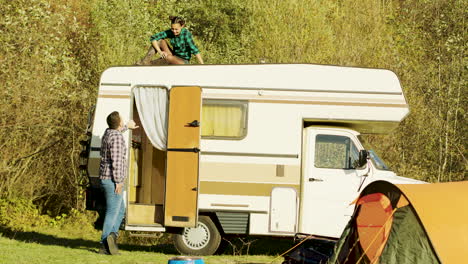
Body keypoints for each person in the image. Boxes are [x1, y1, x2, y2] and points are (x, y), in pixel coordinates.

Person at [98, 111, 138, 255]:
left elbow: (117, 131)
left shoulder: (109, 132)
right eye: (122, 120)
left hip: (107, 179)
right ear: (118, 122)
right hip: (112, 180)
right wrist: (119, 182)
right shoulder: (116, 138)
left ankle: (111, 240)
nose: (123, 121)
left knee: (120, 210)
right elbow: (117, 161)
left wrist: (127, 126)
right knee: (112, 212)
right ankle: (104, 244)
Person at [138, 16, 204, 65]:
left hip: (183, 61)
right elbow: (153, 38)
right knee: (160, 40)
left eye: (176, 29)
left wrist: (202, 65)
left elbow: (195, 51)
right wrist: (160, 52)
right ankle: (145, 61)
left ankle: (149, 65)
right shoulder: (170, 32)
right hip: (174, 55)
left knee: (168, 57)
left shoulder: (186, 34)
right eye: (172, 29)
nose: (174, 31)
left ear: (182, 26)